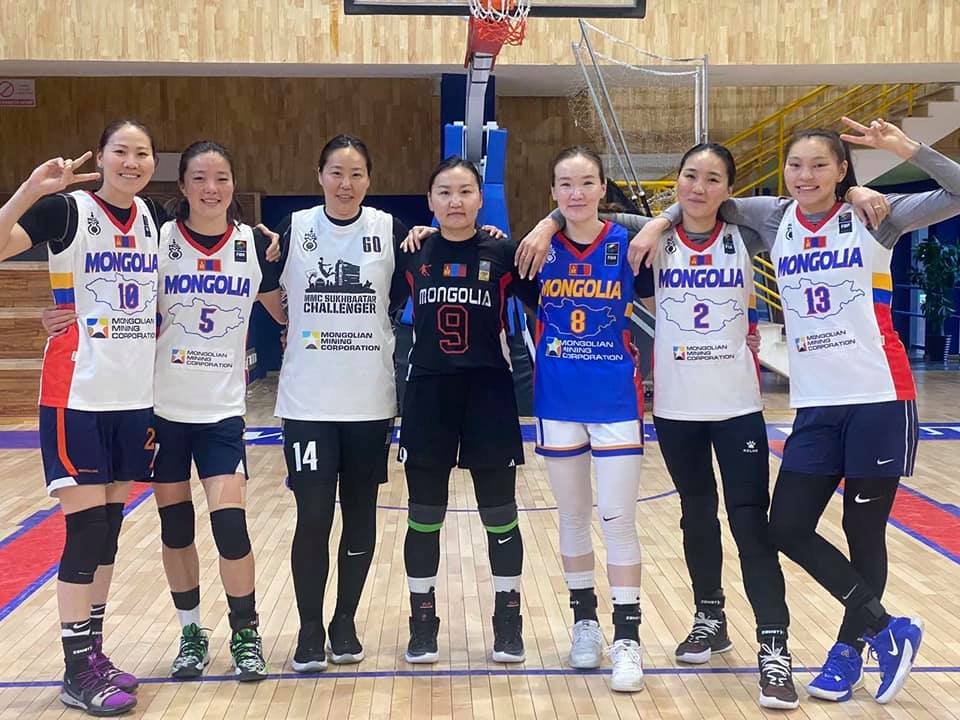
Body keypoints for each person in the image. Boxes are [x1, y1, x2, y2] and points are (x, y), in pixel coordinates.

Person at [630, 117, 960, 705]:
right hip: (814, 405)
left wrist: (905, 149)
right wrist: (659, 220)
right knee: (783, 528)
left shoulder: (877, 217)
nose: (805, 176)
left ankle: (847, 653)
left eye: (820, 166)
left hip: (879, 398)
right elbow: (703, 201)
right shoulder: (772, 217)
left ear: (841, 171)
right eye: (796, 166)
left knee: (863, 533)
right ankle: (888, 628)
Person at [42, 140, 285, 683]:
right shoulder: (159, 237)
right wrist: (58, 312)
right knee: (176, 530)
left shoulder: (251, 244)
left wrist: (290, 262)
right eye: (199, 178)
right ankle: (191, 634)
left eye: (221, 178)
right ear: (182, 186)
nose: (211, 189)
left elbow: (286, 311)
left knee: (231, 528)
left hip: (222, 412)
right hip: (162, 412)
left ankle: (246, 634)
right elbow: (112, 290)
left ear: (234, 185)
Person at [0, 120, 162, 716]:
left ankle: (92, 652)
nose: (132, 162)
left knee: (109, 531)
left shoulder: (151, 219)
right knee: (87, 530)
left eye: (142, 153)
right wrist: (30, 190)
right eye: (121, 151)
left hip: (131, 397)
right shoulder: (67, 211)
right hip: (77, 395)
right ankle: (74, 672)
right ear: (103, 156)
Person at [636, 143, 796, 708]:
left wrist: (852, 190)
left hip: (736, 407)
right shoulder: (650, 237)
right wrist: (547, 224)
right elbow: (578, 212)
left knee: (750, 522)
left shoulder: (746, 234)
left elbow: (802, 203)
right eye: (689, 176)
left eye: (712, 179)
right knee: (696, 516)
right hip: (676, 407)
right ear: (675, 182)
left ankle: (774, 646)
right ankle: (710, 616)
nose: (698, 188)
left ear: (729, 189)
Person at [390, 156, 538, 666]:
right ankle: (422, 622)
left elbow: (548, 298)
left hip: (488, 394)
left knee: (500, 516)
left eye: (465, 192)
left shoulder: (503, 252)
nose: (455, 201)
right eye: (444, 192)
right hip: (428, 395)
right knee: (423, 517)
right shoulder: (413, 252)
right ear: (430, 201)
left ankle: (508, 622)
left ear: (480, 199)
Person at [272, 135, 406, 672]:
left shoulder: (391, 230)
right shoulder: (293, 228)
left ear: (369, 179)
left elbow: (416, 282)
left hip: (369, 402)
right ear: (319, 175)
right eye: (336, 172)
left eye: (355, 174)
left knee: (360, 515)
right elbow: (261, 284)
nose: (345, 184)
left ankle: (344, 621)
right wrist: (288, 320)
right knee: (313, 517)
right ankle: (309, 629)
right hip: (308, 403)